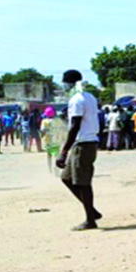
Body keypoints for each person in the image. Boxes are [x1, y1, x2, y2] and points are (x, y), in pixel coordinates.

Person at [56, 69, 102, 231]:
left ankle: (90, 219)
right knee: (67, 178)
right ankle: (92, 211)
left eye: (64, 81)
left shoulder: (77, 100)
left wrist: (63, 151)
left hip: (83, 143)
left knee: (83, 183)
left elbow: (75, 126)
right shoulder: (90, 97)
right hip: (87, 141)